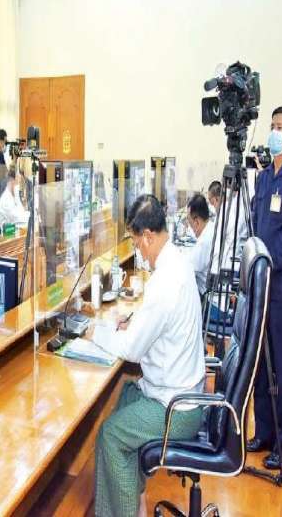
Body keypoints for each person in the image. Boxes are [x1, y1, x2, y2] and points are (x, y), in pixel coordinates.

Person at [90, 195, 204, 517]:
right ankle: (131, 503)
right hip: (179, 391)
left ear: (148, 236)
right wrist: (136, 324)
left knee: (110, 435)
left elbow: (131, 350)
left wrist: (97, 333)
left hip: (176, 408)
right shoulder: (177, 263)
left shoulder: (165, 281)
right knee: (126, 395)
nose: (137, 250)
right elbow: (158, 324)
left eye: (136, 242)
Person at [248, 106, 282, 470]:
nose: (275, 132)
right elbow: (253, 222)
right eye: (273, 126)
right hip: (260, 283)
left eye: (281, 127)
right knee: (260, 362)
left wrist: (272, 260)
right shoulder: (263, 179)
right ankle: (262, 432)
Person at [185, 193, 215, 295]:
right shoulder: (211, 228)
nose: (191, 228)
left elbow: (188, 267)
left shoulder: (205, 241)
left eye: (190, 223)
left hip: (207, 295)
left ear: (197, 222)